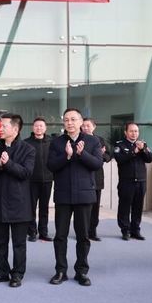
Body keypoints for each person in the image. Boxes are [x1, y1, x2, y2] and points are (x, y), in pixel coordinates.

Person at [47, 108, 103, 287]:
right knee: (60, 236)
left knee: (83, 236)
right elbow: (51, 166)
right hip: (63, 195)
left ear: (81, 122)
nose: (69, 123)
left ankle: (82, 271)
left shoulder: (93, 141)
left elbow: (97, 164)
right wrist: (67, 155)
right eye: (66, 120)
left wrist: (81, 154)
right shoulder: (56, 142)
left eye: (73, 119)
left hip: (84, 195)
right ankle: (60, 271)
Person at [0, 114, 35, 288]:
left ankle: (18, 274)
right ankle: (1, 271)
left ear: (15, 129)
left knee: (19, 243)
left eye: (4, 126)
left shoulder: (28, 149)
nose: (0, 129)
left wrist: (9, 164)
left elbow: (25, 173)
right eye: (0, 126)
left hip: (19, 203)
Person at [113, 122, 152, 241]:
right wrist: (134, 152)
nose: (134, 133)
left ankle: (136, 230)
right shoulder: (120, 145)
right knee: (125, 207)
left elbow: (150, 159)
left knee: (138, 206)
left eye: (136, 131)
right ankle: (125, 230)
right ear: (125, 132)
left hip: (141, 182)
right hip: (126, 182)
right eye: (131, 131)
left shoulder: (142, 145)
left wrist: (143, 150)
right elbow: (120, 159)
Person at [23, 117, 54, 242]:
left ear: (45, 128)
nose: (38, 128)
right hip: (31, 180)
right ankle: (31, 232)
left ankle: (43, 232)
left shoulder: (51, 142)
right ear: (32, 128)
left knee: (44, 207)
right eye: (36, 126)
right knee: (31, 207)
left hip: (47, 179)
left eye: (41, 126)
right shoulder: (26, 143)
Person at [81, 118, 112, 241]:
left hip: (97, 178)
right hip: (83, 177)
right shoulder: (79, 139)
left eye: (88, 125)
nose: (85, 128)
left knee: (95, 207)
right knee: (84, 208)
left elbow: (109, 155)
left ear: (94, 127)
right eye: (83, 126)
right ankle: (83, 232)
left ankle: (92, 232)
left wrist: (101, 155)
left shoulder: (100, 140)